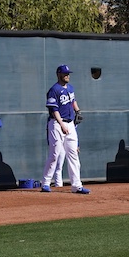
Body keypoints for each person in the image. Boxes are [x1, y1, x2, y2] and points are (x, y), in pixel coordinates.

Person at [41, 65, 90, 194]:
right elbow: (53, 109)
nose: (67, 75)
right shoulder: (54, 90)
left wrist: (77, 110)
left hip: (70, 124)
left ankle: (77, 185)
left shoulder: (70, 88)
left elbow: (72, 100)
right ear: (59, 74)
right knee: (55, 154)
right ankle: (45, 183)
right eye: (65, 73)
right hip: (57, 124)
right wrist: (62, 124)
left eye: (68, 73)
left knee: (73, 153)